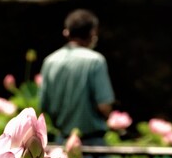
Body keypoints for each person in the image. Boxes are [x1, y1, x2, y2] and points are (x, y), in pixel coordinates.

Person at [39, 9, 116, 143]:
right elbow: (104, 106)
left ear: (67, 32)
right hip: (92, 143)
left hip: (62, 141)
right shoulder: (95, 61)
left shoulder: (50, 61)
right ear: (92, 33)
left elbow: (44, 105)